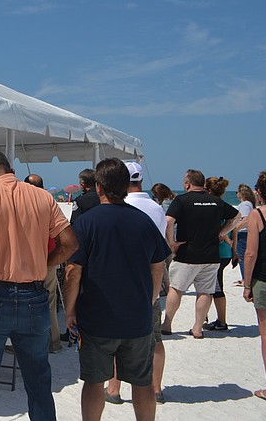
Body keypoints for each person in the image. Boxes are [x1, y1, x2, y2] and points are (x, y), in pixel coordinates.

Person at [0, 151, 78, 421]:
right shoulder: (42, 197)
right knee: (38, 381)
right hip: (33, 296)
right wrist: (44, 263)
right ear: (10, 170)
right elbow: (70, 243)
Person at [63, 159, 170, 421]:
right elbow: (158, 265)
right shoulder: (143, 221)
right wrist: (151, 297)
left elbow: (73, 272)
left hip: (97, 318)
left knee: (93, 382)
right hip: (137, 316)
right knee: (142, 383)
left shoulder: (87, 222)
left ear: (98, 187)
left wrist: (69, 310)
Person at [101, 161, 170, 405]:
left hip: (119, 281)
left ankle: (114, 388)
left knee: (117, 340)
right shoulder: (156, 208)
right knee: (155, 337)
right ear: (140, 180)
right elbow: (160, 253)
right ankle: (156, 388)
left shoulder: (120, 206)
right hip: (147, 280)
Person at [161, 169, 239, 339]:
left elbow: (168, 220)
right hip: (211, 254)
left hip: (187, 254)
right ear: (203, 184)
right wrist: (222, 233)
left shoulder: (181, 200)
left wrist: (172, 242)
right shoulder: (215, 201)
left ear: (187, 184)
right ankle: (197, 328)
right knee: (204, 292)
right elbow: (237, 217)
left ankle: (167, 324)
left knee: (176, 289)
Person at [24, 174, 63, 355]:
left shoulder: (23, 205)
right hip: (49, 258)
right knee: (49, 302)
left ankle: (31, 345)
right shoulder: (49, 203)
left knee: (25, 303)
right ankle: (53, 343)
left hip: (29, 260)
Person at [243, 171, 266, 402]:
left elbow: (250, 253)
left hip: (265, 280)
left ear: (259, 193)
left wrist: (247, 284)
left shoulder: (257, 214)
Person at [204, 176, 235, 331]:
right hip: (225, 253)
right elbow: (235, 225)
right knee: (212, 286)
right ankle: (207, 316)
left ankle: (222, 321)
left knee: (216, 288)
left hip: (217, 252)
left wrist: (220, 235)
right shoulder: (225, 206)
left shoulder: (216, 207)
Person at [233, 184, 256, 285]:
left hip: (243, 234)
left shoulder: (245, 205)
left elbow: (246, 219)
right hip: (244, 233)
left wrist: (235, 229)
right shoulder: (248, 204)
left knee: (242, 257)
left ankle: (245, 279)